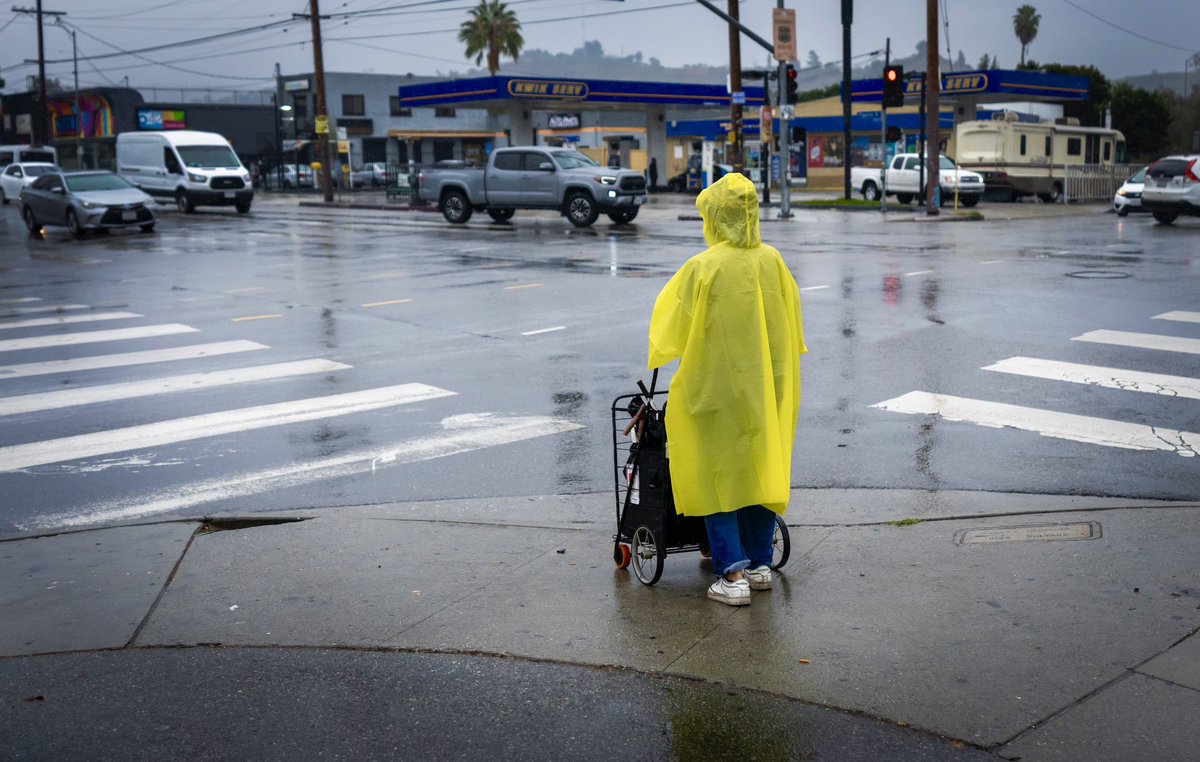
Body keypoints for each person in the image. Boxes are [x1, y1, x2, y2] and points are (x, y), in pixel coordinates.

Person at [648, 172, 806, 606]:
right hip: (767, 388)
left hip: (714, 390)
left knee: (716, 472)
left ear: (716, 218)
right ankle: (759, 565)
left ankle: (732, 575)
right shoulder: (774, 261)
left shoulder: (703, 267)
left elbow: (669, 326)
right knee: (759, 469)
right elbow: (794, 325)